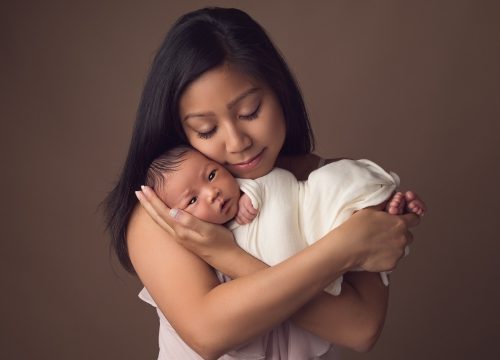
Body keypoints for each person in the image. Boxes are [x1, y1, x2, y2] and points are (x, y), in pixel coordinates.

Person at [104, 7, 421, 360]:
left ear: (279, 92)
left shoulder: (333, 184)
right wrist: (346, 246)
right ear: (181, 130)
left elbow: (360, 328)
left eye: (250, 111)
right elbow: (209, 332)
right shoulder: (168, 207)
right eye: (207, 130)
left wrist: (230, 257)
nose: (238, 142)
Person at [144, 145, 425, 296]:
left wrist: (249, 194)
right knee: (349, 236)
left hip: (310, 212)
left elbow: (268, 182)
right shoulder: (203, 246)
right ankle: (385, 213)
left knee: (332, 187)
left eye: (212, 175)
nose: (212, 193)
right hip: (315, 253)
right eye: (192, 200)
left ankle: (384, 205)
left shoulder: (249, 183)